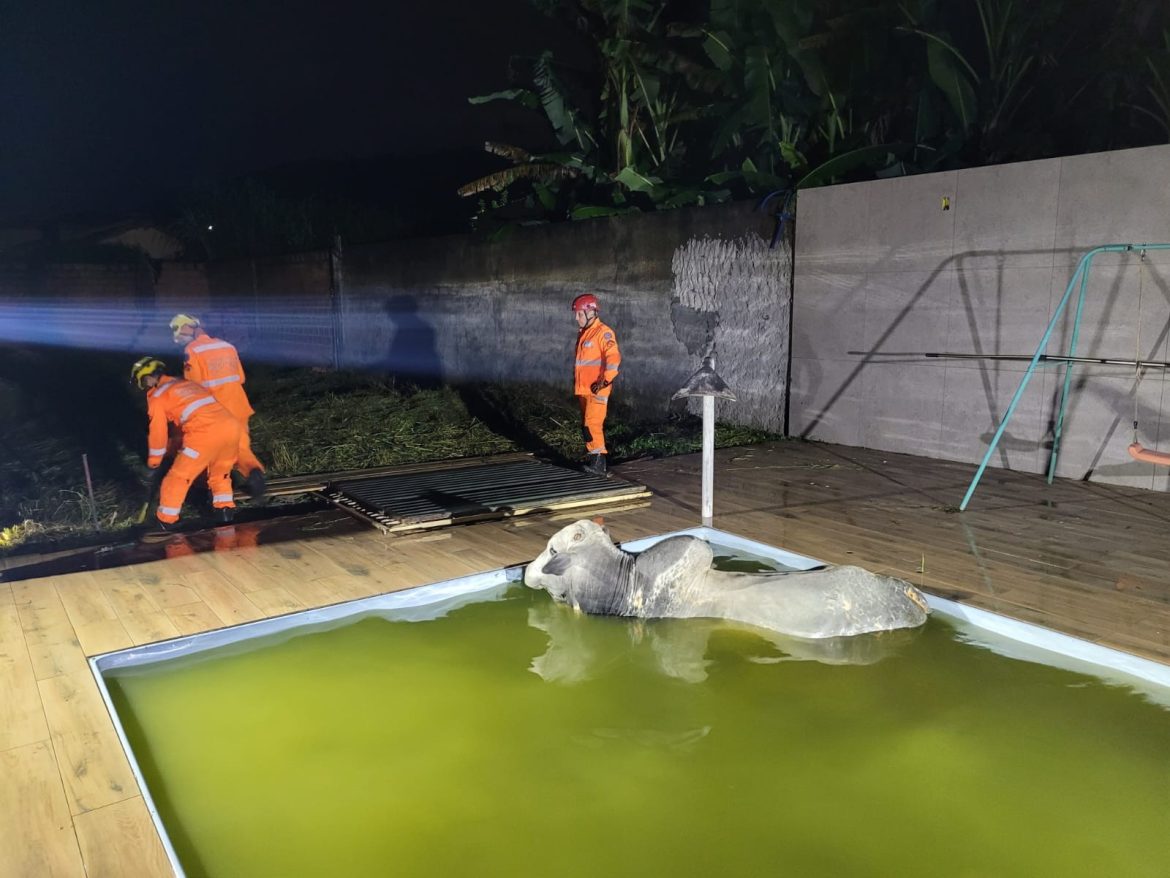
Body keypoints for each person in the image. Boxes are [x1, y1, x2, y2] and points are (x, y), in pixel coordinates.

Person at [131, 356, 241, 530]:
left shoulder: (157, 396)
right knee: (220, 475)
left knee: (177, 477)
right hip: (231, 429)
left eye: (144, 381)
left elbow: (158, 432)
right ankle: (225, 516)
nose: (146, 386)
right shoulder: (187, 384)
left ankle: (166, 522)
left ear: (147, 377)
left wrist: (154, 461)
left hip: (205, 434)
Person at [169, 313, 266, 499]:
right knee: (241, 448)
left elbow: (194, 386)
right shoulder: (226, 346)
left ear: (187, 328)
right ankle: (255, 474)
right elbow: (241, 378)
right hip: (238, 406)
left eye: (179, 334)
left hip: (214, 412)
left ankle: (213, 496)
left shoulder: (192, 351)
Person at [572, 293, 621, 476]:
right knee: (587, 425)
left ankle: (598, 465)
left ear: (590, 312)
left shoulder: (603, 333)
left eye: (579, 314)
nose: (576, 318)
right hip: (585, 389)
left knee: (591, 425)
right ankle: (595, 461)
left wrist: (604, 380)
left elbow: (614, 358)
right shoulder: (585, 333)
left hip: (597, 389)